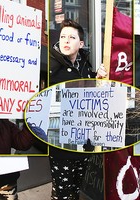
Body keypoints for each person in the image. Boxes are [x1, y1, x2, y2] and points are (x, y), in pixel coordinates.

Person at [48, 19, 107, 199]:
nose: (66, 40)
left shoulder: (85, 66)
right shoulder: (50, 67)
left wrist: (98, 79)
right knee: (63, 192)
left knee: (75, 188)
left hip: (84, 142)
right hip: (61, 143)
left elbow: (89, 97)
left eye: (72, 37)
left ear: (80, 44)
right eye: (63, 36)